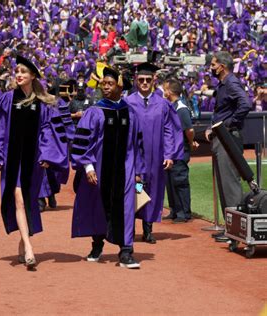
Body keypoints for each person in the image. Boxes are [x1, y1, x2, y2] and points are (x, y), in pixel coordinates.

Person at [0, 55, 68, 270]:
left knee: (28, 202)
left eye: (23, 72)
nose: (19, 75)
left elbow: (49, 130)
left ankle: (22, 243)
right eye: (17, 71)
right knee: (18, 199)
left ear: (33, 76)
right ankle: (29, 248)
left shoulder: (43, 103)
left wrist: (48, 154)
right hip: (12, 160)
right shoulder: (7, 99)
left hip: (34, 161)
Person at [71, 66, 145, 268]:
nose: (105, 87)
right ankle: (97, 245)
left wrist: (138, 172)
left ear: (120, 87)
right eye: (104, 83)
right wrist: (88, 167)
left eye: (110, 84)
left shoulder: (131, 113)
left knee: (127, 208)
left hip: (126, 170)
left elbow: (138, 145)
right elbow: (83, 141)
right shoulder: (95, 111)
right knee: (98, 206)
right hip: (100, 169)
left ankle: (126, 252)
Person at [125, 62, 183, 244]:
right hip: (135, 158)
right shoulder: (128, 102)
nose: (144, 82)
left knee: (153, 191)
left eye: (147, 80)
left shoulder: (163, 104)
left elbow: (169, 131)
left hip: (156, 158)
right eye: (141, 79)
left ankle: (148, 229)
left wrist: (169, 155)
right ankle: (130, 229)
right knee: (136, 189)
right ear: (135, 80)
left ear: (153, 80)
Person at [205, 51, 252, 242]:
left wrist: (227, 125)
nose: (211, 68)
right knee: (224, 184)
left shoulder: (231, 82)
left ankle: (236, 231)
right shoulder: (223, 84)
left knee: (230, 184)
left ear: (222, 67)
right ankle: (230, 229)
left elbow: (246, 104)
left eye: (213, 65)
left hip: (228, 139)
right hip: (222, 138)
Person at [163, 78, 198, 223]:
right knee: (170, 182)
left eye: (165, 89)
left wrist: (190, 142)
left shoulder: (181, 108)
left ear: (170, 91)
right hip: (171, 151)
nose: (163, 91)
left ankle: (184, 212)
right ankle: (175, 210)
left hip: (181, 150)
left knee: (180, 181)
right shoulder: (171, 105)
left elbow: (189, 130)